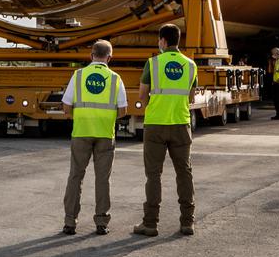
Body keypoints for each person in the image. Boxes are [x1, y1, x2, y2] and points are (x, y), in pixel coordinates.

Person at [133, 23, 197, 237]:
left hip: (156, 125)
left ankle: (150, 223)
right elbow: (191, 97)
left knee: (153, 175)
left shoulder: (152, 63)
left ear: (162, 41)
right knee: (184, 173)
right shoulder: (190, 65)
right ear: (178, 40)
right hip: (181, 123)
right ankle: (187, 222)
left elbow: (142, 96)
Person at [60, 39, 128, 235]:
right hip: (105, 134)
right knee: (102, 179)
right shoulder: (115, 78)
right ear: (109, 57)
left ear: (91, 55)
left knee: (75, 176)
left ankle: (70, 222)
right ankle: (101, 222)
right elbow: (123, 110)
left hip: (81, 132)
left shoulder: (78, 75)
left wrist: (81, 116)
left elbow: (66, 106)